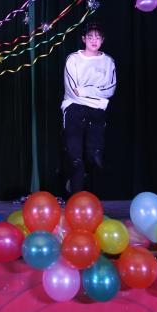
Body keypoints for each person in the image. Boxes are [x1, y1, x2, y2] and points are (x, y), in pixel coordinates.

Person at [61, 22, 116, 194]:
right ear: (84, 39)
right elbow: (73, 91)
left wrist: (85, 90)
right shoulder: (73, 59)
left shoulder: (108, 62)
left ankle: (87, 188)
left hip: (97, 111)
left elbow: (110, 89)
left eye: (97, 37)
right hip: (74, 107)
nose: (94, 40)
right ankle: (76, 195)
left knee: (93, 156)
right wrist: (97, 94)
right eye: (90, 37)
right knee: (75, 158)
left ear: (102, 40)